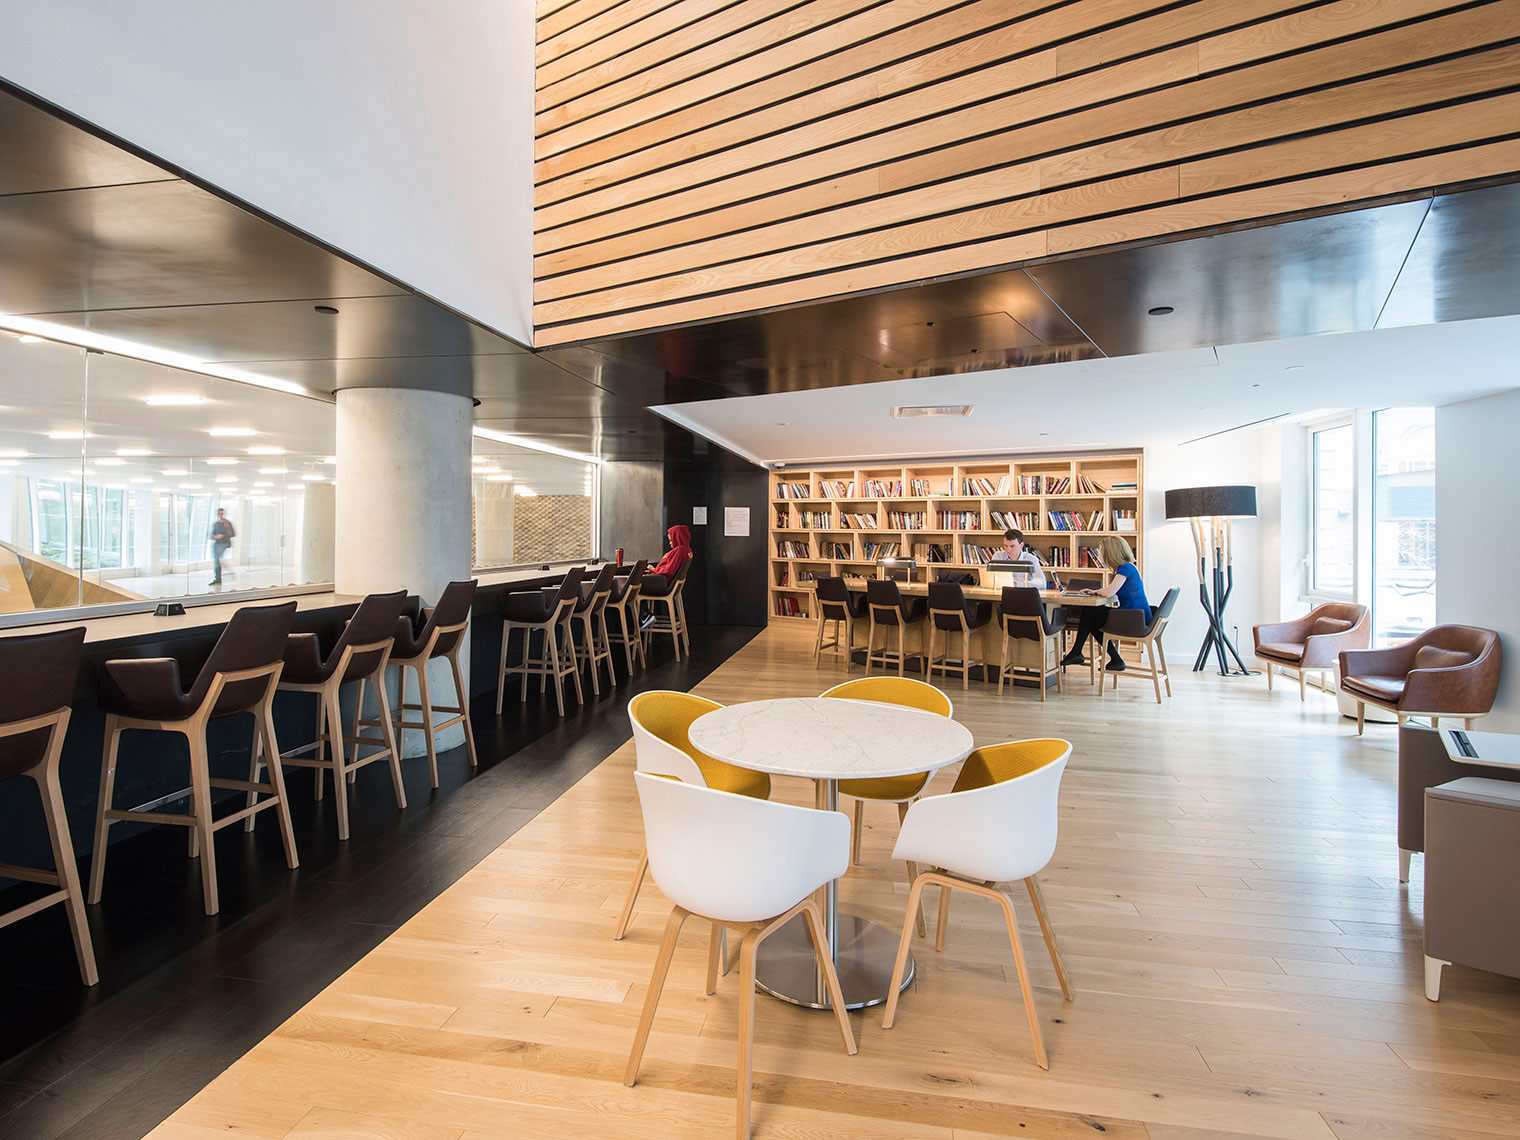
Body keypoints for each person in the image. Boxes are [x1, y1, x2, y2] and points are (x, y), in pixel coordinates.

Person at [1060, 536, 1149, 673]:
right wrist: (1096, 591)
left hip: (1134, 617)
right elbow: (1111, 591)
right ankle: (1112, 659)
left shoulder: (1125, 568)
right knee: (1093, 619)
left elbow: (1109, 592)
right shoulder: (1129, 567)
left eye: (1102, 551)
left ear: (1110, 552)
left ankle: (1078, 652)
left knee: (1091, 613)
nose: (1101, 555)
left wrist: (1097, 591)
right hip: (1135, 615)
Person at [640, 524, 691, 595]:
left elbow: (669, 571)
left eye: (671, 540)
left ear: (677, 538)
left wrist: (654, 569)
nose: (670, 543)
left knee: (633, 584)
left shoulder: (680, 550)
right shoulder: (687, 550)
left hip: (662, 582)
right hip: (662, 580)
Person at [209, 508, 235, 586]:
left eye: (222, 513)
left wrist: (222, 535)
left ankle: (218, 578)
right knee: (216, 560)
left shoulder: (227, 523)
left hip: (224, 543)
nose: (221, 515)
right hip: (217, 543)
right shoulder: (216, 524)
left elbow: (232, 534)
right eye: (219, 513)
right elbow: (213, 533)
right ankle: (218, 578)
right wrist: (214, 537)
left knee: (217, 559)